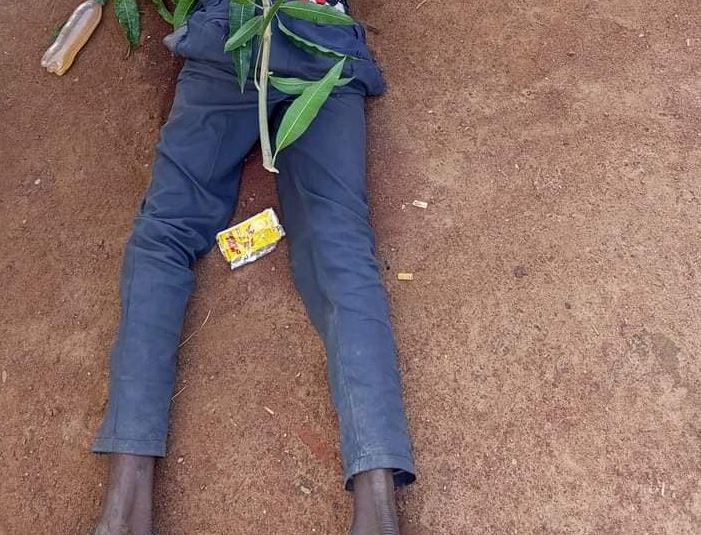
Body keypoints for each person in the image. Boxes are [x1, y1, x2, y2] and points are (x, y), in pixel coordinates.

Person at [93, 0, 415, 533]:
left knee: (165, 234)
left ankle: (125, 504)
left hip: (234, 34)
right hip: (323, 52)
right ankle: (377, 504)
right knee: (339, 245)